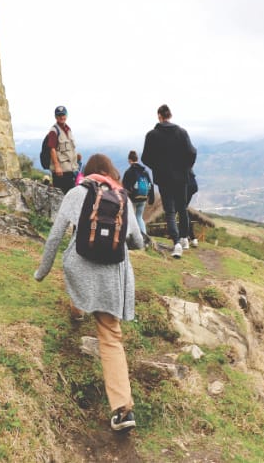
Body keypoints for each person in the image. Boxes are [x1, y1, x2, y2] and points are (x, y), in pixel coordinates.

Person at [34, 154, 145, 432]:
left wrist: (42, 271)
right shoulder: (123, 198)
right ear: (110, 172)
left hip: (81, 270)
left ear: (89, 173)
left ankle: (77, 308)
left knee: (76, 273)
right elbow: (138, 242)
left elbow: (55, 235)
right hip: (111, 277)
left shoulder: (76, 193)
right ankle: (122, 410)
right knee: (110, 337)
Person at [141, 104, 197, 259]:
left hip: (164, 179)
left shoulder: (152, 135)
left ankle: (177, 243)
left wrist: (158, 167)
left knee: (170, 211)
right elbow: (192, 152)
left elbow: (145, 158)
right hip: (181, 178)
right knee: (182, 208)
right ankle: (185, 239)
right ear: (170, 115)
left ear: (159, 116)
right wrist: (185, 168)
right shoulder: (182, 132)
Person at [121, 150, 154, 242]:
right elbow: (150, 184)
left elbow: (124, 186)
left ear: (129, 160)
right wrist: (151, 198)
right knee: (139, 216)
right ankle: (144, 237)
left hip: (133, 198)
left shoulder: (129, 172)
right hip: (143, 197)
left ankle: (130, 236)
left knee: (129, 216)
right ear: (137, 159)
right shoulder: (145, 171)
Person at [47, 105, 81, 192]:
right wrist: (57, 166)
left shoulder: (68, 130)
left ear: (66, 115)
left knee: (70, 195)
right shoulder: (54, 131)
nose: (61, 117)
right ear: (55, 117)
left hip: (71, 170)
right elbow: (52, 149)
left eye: (63, 115)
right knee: (62, 196)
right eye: (59, 115)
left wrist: (77, 158)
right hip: (61, 172)